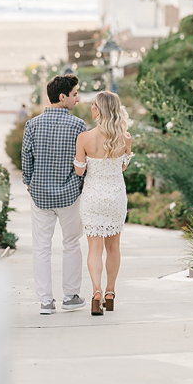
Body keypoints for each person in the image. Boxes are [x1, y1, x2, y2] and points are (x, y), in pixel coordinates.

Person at [21, 74, 87, 315]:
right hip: (69, 194)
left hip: (40, 196)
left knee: (41, 247)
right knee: (71, 243)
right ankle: (70, 296)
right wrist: (78, 183)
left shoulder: (32, 125)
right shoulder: (78, 125)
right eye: (75, 94)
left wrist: (30, 183)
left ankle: (46, 301)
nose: (78, 99)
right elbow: (82, 161)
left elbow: (26, 159)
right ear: (62, 97)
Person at [74, 91, 133, 316]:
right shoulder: (125, 138)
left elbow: (80, 170)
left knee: (95, 249)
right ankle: (110, 293)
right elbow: (123, 167)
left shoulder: (84, 138)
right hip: (116, 196)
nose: (91, 108)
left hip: (93, 197)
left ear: (99, 110)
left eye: (93, 105)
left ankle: (96, 292)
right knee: (114, 247)